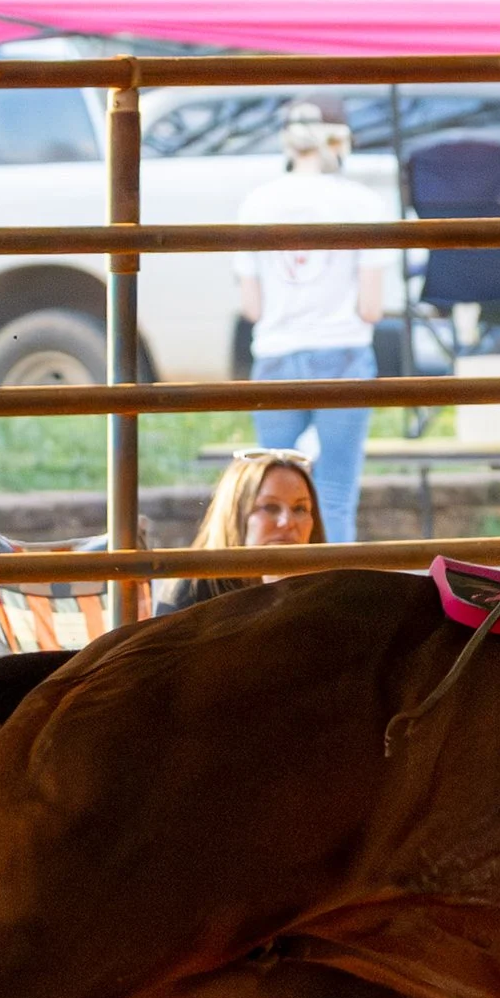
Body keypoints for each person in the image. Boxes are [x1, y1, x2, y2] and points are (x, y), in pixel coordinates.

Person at [235, 101, 387, 545]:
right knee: (335, 494)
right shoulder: (364, 203)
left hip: (276, 355)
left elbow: (253, 308)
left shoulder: (256, 202)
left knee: (268, 491)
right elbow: (372, 308)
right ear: (339, 140)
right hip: (344, 353)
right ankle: (331, 595)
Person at [153, 448, 326, 616]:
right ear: (235, 515)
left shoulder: (328, 592)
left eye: (300, 508)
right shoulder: (189, 591)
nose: (288, 522)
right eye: (270, 507)